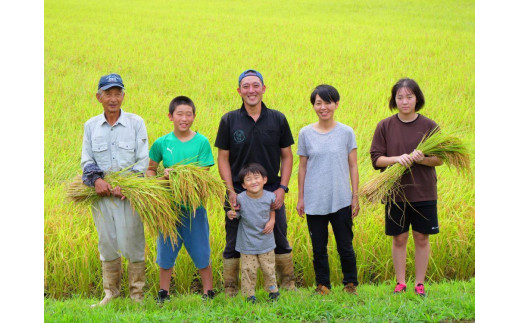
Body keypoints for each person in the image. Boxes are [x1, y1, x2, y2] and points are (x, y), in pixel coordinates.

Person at [214, 69, 296, 296]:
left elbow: (287, 156)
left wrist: (282, 188)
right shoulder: (229, 120)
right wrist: (230, 191)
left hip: (271, 191)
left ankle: (286, 286)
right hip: (238, 192)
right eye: (246, 86)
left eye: (256, 85)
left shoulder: (277, 118)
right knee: (233, 239)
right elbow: (223, 158)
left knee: (279, 235)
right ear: (239, 91)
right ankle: (231, 289)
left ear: (263, 89)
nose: (251, 90)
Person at [370, 78, 443, 296]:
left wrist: (420, 159)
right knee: (399, 237)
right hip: (395, 193)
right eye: (400, 97)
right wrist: (396, 159)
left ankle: (419, 283)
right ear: (394, 100)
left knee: (422, 237)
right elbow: (376, 159)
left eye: (409, 97)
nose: (404, 101)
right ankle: (400, 282)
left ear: (417, 99)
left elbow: (439, 159)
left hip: (423, 191)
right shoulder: (385, 125)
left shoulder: (430, 126)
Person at [81, 73, 149, 306]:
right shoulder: (91, 126)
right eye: (107, 93)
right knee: (107, 242)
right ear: (98, 97)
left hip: (129, 194)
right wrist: (97, 181)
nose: (113, 98)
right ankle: (111, 294)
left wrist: (127, 184)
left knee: (133, 243)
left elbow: (142, 161)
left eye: (117, 93)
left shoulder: (136, 123)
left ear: (123, 95)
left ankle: (136, 296)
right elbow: (87, 160)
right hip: (100, 195)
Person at [146, 96, 216, 303]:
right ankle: (163, 293)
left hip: (195, 208)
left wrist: (175, 174)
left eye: (189, 114)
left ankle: (208, 292)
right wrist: (161, 179)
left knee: (201, 250)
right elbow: (150, 170)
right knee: (166, 251)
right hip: (168, 208)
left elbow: (202, 174)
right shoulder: (162, 143)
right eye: (179, 114)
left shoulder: (202, 142)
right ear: (170, 116)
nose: (184, 118)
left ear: (194, 116)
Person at [296, 84, 360, 295]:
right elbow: (302, 166)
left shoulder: (346, 132)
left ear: (336, 104)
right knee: (319, 247)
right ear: (313, 105)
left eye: (327, 102)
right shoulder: (305, 133)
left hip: (341, 198)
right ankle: (323, 285)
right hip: (315, 200)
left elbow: (353, 165)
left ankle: (350, 284)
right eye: (318, 103)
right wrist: (300, 198)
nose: (323, 107)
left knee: (345, 245)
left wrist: (355, 196)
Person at [226, 163, 280, 303]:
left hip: (266, 241)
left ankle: (273, 292)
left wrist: (272, 221)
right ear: (243, 185)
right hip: (247, 243)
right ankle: (249, 296)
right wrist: (231, 214)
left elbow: (272, 210)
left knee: (269, 269)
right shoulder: (240, 198)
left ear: (265, 180)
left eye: (257, 177)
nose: (253, 181)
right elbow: (237, 213)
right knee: (248, 270)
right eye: (248, 179)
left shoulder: (270, 197)